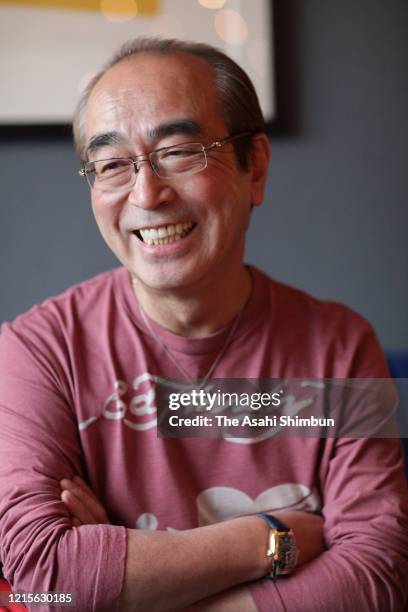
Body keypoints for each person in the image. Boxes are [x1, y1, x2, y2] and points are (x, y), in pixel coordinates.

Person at [0, 37, 407, 612]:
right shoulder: (37, 351)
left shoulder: (340, 347)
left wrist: (127, 584)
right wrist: (274, 537)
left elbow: (377, 580)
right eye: (113, 165)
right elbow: (47, 582)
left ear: (255, 166)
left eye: (180, 151)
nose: (147, 193)